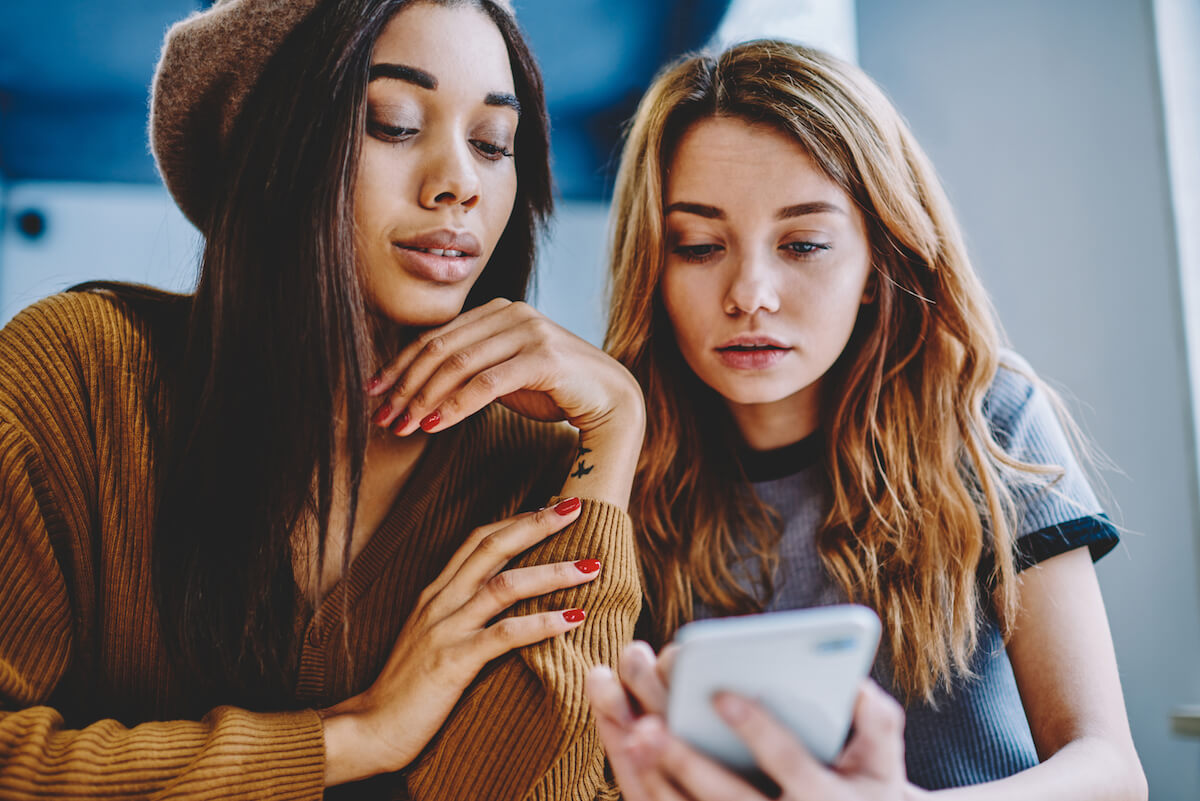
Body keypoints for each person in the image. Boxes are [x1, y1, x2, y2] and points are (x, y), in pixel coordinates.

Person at [0, 1, 645, 798]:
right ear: (271, 150)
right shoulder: (78, 373)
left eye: (492, 144)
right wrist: (354, 736)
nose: (460, 184)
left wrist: (617, 425)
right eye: (395, 123)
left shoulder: (540, 458)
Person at [588, 39, 1147, 800]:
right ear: (652, 262)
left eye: (804, 244)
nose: (751, 292)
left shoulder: (986, 417)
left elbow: (1112, 772)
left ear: (877, 262)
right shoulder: (615, 459)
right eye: (699, 245)